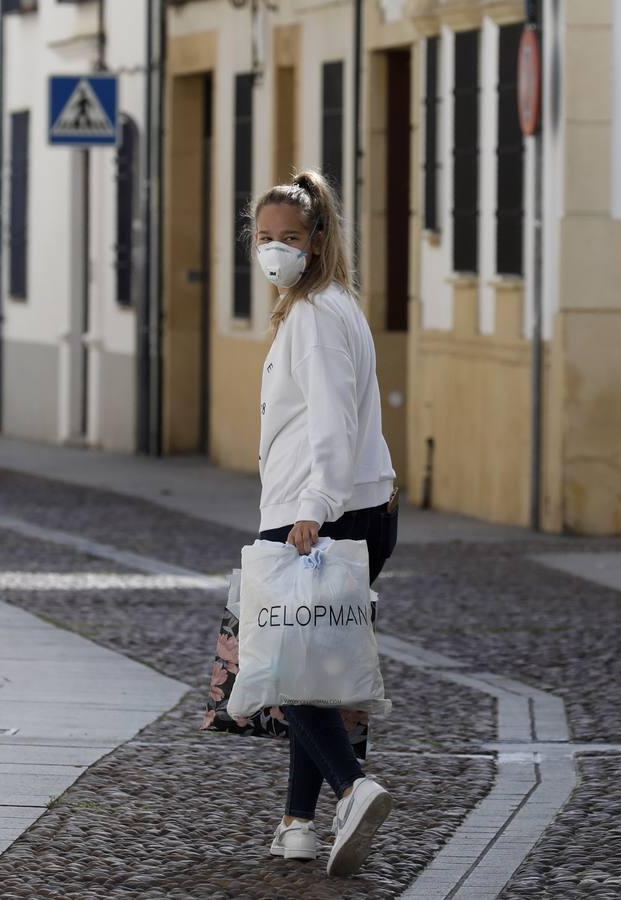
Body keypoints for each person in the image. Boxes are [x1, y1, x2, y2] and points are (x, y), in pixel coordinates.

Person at [250, 170, 400, 877]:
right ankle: (298, 825)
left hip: (313, 514)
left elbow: (334, 425)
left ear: (316, 240)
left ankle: (354, 788)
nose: (274, 249)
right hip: (363, 506)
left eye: (288, 237)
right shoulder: (339, 305)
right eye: (263, 237)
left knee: (288, 676)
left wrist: (312, 509)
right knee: (314, 666)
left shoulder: (312, 315)